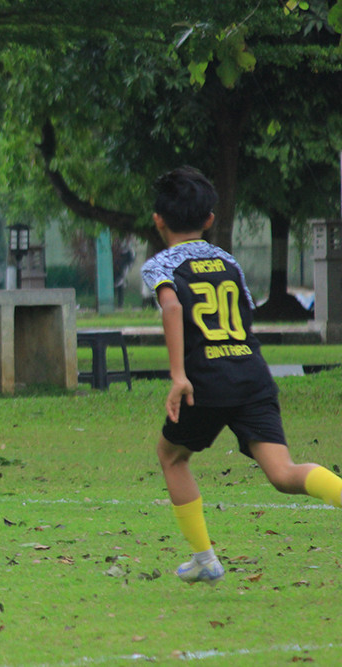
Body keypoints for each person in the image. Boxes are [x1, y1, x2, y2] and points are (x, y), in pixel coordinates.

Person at [141, 166, 341, 585]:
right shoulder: (228, 261)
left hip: (205, 382)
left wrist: (179, 374)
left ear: (158, 220)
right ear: (210, 220)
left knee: (171, 456)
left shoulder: (161, 264)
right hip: (251, 374)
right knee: (284, 473)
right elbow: (244, 315)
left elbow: (173, 308)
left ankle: (205, 559)